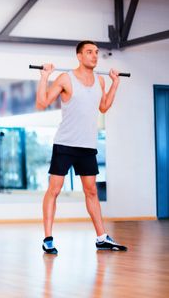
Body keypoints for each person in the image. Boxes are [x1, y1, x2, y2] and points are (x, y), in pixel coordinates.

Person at [35, 40, 127, 254]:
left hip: (87, 145)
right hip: (65, 143)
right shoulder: (66, 78)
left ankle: (102, 238)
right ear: (79, 56)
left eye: (96, 52)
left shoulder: (100, 81)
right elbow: (43, 102)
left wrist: (115, 84)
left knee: (91, 191)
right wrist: (44, 77)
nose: (94, 55)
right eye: (89, 52)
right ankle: (48, 238)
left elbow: (103, 107)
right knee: (55, 190)